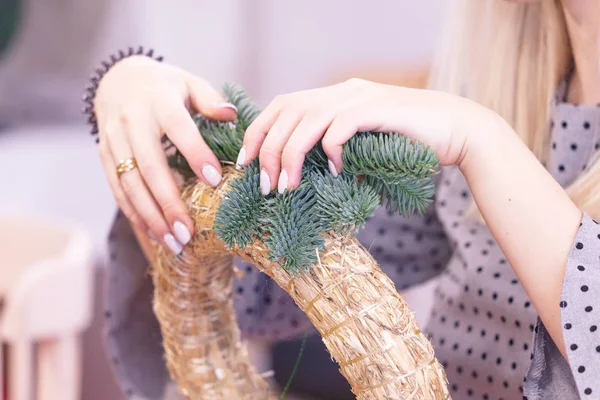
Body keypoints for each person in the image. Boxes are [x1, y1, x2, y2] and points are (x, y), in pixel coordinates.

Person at [91, 0, 600, 398]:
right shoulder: (502, 85)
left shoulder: (477, 124)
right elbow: (266, 286)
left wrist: (483, 140)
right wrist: (135, 96)